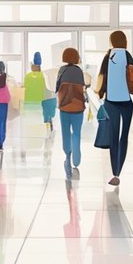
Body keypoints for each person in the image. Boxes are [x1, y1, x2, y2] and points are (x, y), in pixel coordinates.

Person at [96, 30, 133, 186]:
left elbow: (101, 77)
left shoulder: (108, 56)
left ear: (112, 41)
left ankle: (115, 173)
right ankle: (118, 170)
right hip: (127, 102)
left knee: (113, 137)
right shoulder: (128, 56)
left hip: (111, 102)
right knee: (123, 137)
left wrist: (100, 92)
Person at [54, 47, 87, 177]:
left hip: (64, 107)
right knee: (77, 133)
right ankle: (77, 159)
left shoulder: (62, 70)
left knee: (65, 132)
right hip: (78, 107)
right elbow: (82, 87)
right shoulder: (79, 71)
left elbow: (57, 88)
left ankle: (67, 155)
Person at [23, 52, 54, 133]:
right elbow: (48, 91)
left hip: (29, 104)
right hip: (41, 103)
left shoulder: (28, 76)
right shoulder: (44, 76)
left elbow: (25, 88)